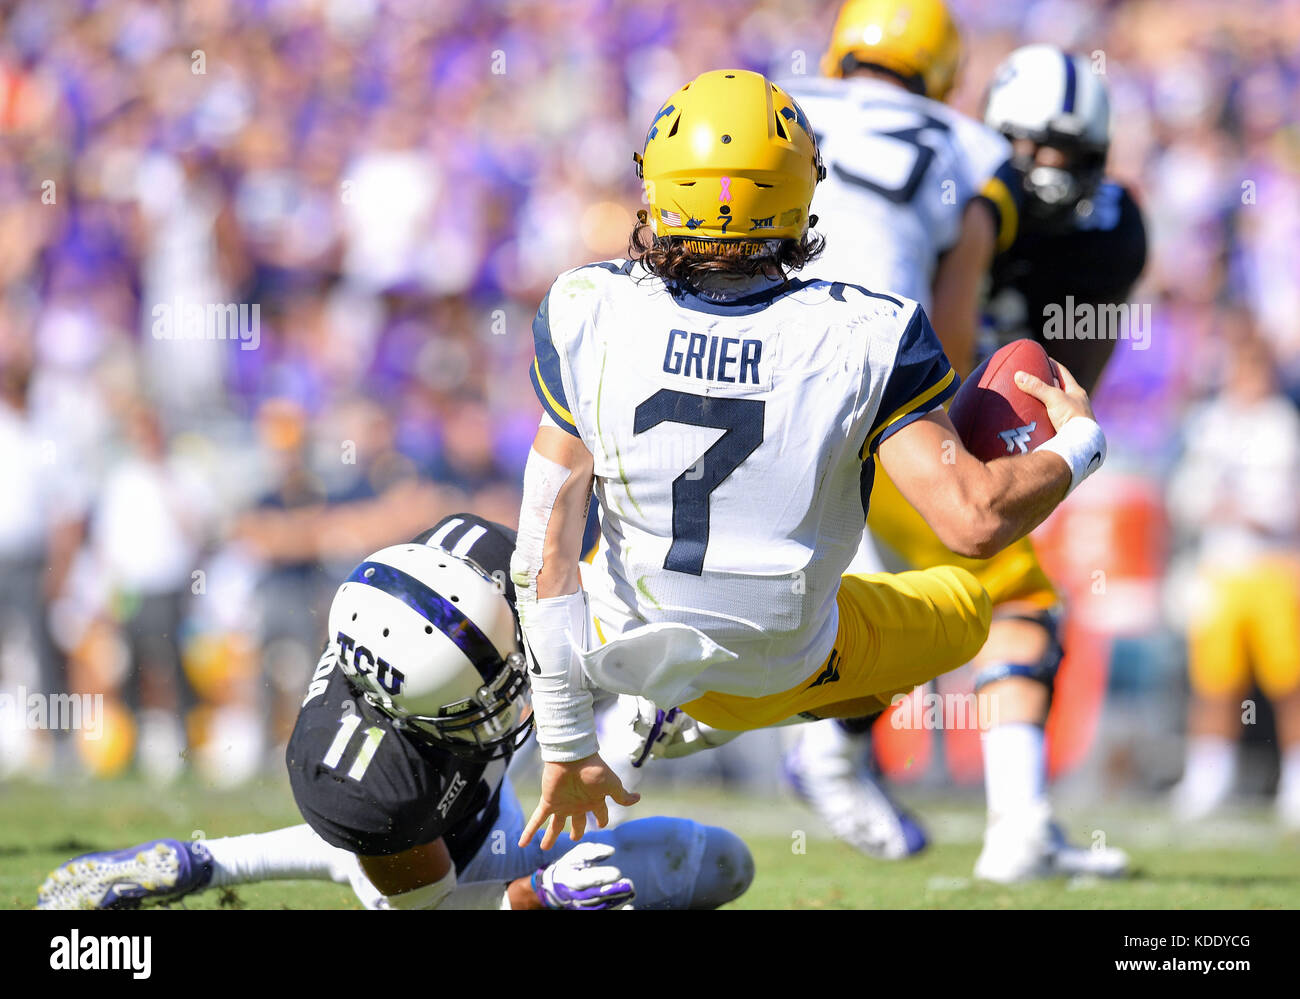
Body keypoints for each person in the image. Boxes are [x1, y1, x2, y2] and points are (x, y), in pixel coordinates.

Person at [509, 66, 1108, 853]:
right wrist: (1080, 445)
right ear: (800, 189)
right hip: (785, 664)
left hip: (627, 641)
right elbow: (974, 519)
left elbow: (541, 553)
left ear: (658, 185)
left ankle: (463, 790)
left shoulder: (587, 306)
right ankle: (820, 735)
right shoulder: (870, 329)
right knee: (968, 607)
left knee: (514, 558)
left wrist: (564, 739)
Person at [788, 36, 1145, 881]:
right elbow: (947, 343)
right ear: (992, 138)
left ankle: (824, 748)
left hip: (882, 408)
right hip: (909, 412)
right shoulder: (967, 186)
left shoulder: (1091, 225)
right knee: (1004, 597)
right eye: (1029, 148)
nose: (1047, 166)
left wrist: (1018, 436)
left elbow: (1065, 374)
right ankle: (1013, 828)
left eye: (1068, 152)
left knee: (875, 612)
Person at [37, 514, 754, 910]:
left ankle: (205, 861)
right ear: (411, 716)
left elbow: (582, 617)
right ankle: (209, 861)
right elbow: (433, 912)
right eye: (487, 697)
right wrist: (535, 897)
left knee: (722, 855)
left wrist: (642, 703)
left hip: (461, 814)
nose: (515, 697)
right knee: (716, 865)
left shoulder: (477, 564)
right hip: (434, 870)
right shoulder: (371, 783)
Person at [1167, 332, 1300, 830]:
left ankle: (1294, 781)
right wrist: (1212, 508)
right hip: (1220, 568)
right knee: (1215, 681)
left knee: (1288, 680)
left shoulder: (1282, 424)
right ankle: (1209, 776)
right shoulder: (1209, 424)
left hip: (1272, 565)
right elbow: (1185, 496)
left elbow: (1285, 502)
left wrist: (1257, 513)